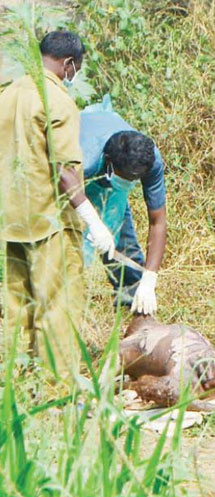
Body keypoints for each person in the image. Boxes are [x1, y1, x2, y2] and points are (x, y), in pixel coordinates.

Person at [0, 31, 115, 379]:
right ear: (68, 64)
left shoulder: (7, 95)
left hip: (11, 221)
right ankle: (56, 391)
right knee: (59, 307)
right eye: (75, 68)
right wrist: (91, 219)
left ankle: (16, 388)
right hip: (50, 222)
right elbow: (65, 173)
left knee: (17, 309)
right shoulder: (57, 101)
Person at [80, 98, 166, 314]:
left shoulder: (150, 160)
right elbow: (61, 187)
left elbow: (158, 222)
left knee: (122, 241)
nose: (130, 182)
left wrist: (150, 278)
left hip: (109, 184)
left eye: (134, 179)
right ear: (109, 161)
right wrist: (92, 221)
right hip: (70, 179)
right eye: (125, 177)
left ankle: (133, 303)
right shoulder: (86, 158)